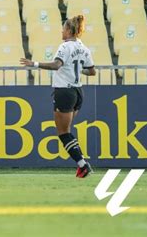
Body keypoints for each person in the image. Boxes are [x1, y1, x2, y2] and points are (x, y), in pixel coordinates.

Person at [20, 15, 95, 178]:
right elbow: (92, 71)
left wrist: (35, 64)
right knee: (66, 131)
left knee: (63, 133)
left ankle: (83, 165)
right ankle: (82, 164)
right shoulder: (84, 48)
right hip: (78, 92)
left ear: (68, 30)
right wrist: (76, 70)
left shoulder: (65, 47)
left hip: (65, 92)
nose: (62, 31)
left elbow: (56, 65)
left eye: (63, 28)